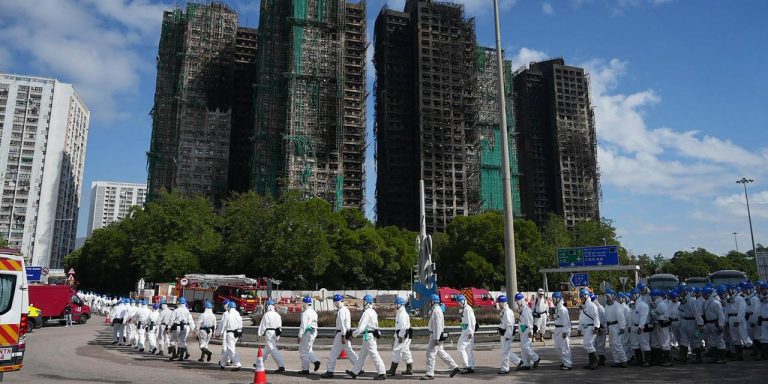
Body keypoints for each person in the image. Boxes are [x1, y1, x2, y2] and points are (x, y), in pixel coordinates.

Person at [345, 295, 386, 380]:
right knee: (362, 355)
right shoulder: (373, 312)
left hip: (369, 337)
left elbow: (361, 327)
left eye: (364, 302)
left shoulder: (367, 313)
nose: (362, 303)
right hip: (369, 336)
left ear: (367, 302)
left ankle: (382, 373)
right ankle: (355, 372)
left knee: (374, 354)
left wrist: (353, 335)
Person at [423, 293, 460, 380]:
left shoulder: (436, 311)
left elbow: (437, 326)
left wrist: (436, 338)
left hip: (435, 335)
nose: (429, 303)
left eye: (430, 301)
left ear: (433, 301)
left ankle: (429, 374)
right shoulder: (436, 309)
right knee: (440, 352)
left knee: (430, 354)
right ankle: (454, 367)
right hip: (437, 335)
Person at [322, 295, 360, 378]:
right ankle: (359, 368)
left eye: (335, 302)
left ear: (337, 302)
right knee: (349, 352)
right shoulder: (346, 310)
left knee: (333, 354)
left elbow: (342, 325)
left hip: (341, 334)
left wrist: (342, 336)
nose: (334, 304)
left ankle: (330, 371)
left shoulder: (341, 311)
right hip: (346, 333)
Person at [677, 286, 704, 364]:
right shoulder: (684, 300)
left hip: (692, 321)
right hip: (684, 321)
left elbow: (697, 313)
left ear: (685, 292)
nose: (680, 294)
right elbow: (680, 310)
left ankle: (698, 357)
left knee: (696, 339)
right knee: (683, 339)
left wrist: (700, 323)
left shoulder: (692, 300)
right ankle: (683, 356)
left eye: (681, 292)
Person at [257, 299, 285, 373]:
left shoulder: (267, 314)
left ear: (268, 306)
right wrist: (278, 337)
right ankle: (260, 363)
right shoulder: (277, 315)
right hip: (276, 332)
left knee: (272, 349)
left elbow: (263, 325)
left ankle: (281, 365)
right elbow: (280, 327)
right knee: (267, 349)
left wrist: (260, 334)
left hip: (269, 332)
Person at [387, 296, 412, 376]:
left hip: (402, 336)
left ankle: (392, 370)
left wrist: (400, 336)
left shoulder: (402, 314)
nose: (395, 305)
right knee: (405, 352)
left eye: (396, 304)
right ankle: (409, 369)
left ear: (400, 304)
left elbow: (403, 327)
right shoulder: (401, 313)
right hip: (404, 335)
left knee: (396, 351)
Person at [515, 292, 540, 370]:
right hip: (523, 330)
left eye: (518, 300)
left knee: (525, 347)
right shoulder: (522, 309)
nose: (517, 302)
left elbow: (530, 321)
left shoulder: (526, 309)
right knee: (524, 349)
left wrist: (530, 331)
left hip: (527, 331)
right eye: (516, 301)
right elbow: (522, 321)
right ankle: (526, 364)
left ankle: (536, 358)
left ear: (521, 300)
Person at [725, 283, 751, 360]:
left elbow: (742, 310)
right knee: (734, 338)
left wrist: (738, 320)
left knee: (744, 337)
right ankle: (738, 355)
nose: (728, 292)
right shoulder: (729, 299)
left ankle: (757, 350)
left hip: (737, 318)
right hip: (731, 318)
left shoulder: (739, 299)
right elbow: (726, 311)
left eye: (729, 290)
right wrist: (726, 320)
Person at [497, 295, 521, 374]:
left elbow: (510, 325)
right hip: (505, 334)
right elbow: (503, 323)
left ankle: (505, 369)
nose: (498, 305)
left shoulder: (507, 312)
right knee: (506, 351)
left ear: (502, 303)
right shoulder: (504, 311)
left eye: (499, 303)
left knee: (505, 352)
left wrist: (507, 336)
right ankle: (519, 362)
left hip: (507, 334)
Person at [603, 289, 628, 368]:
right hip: (610, 326)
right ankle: (617, 360)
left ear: (612, 296)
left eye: (607, 296)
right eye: (605, 296)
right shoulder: (607, 305)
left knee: (617, 344)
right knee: (612, 344)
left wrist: (622, 327)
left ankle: (624, 360)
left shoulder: (617, 305)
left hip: (616, 326)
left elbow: (621, 318)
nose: (606, 298)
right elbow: (606, 317)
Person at [703, 286, 727, 364]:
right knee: (711, 341)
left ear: (709, 294)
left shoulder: (716, 302)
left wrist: (721, 325)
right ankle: (714, 357)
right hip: (708, 323)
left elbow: (721, 315)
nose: (704, 295)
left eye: (705, 294)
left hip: (715, 323)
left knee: (719, 341)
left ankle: (722, 358)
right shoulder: (705, 302)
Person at [649, 289, 673, 366]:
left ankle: (667, 360)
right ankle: (658, 359)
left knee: (664, 342)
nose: (651, 298)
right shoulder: (657, 304)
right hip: (657, 325)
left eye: (652, 296)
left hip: (662, 325)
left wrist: (657, 317)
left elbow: (666, 316)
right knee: (655, 342)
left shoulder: (661, 304)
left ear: (656, 296)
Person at [297, 296, 321, 374]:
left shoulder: (305, 313)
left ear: (305, 303)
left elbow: (303, 325)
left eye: (303, 303)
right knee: (308, 349)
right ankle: (315, 361)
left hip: (307, 333)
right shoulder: (314, 312)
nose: (302, 304)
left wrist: (299, 336)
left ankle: (305, 369)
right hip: (313, 333)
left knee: (303, 351)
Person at [217, 301, 243, 370]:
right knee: (229, 349)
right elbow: (240, 326)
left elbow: (223, 325)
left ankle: (237, 364)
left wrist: (219, 333)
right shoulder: (238, 315)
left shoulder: (228, 315)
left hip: (230, 334)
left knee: (231, 349)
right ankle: (222, 363)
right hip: (237, 334)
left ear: (229, 307)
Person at [579, 288, 600, 369]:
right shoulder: (584, 306)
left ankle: (595, 361)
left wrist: (596, 327)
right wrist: (579, 328)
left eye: (582, 296)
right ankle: (591, 362)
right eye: (580, 296)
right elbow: (581, 318)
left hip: (591, 327)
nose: (581, 298)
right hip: (585, 328)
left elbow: (596, 317)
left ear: (587, 296)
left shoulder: (592, 305)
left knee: (589, 344)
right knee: (587, 345)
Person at [630, 288, 651, 367]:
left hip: (641, 327)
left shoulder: (643, 305)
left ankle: (647, 360)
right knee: (635, 344)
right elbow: (631, 316)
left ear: (636, 295)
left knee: (644, 343)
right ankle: (639, 360)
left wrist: (641, 326)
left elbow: (643, 317)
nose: (631, 297)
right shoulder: (633, 305)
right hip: (633, 326)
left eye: (632, 295)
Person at [455, 294, 476, 374]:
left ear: (463, 301)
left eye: (459, 302)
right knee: (468, 349)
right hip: (467, 331)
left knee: (460, 347)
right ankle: (471, 366)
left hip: (467, 332)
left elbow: (471, 321)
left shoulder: (467, 309)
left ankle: (467, 366)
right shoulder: (466, 309)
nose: (458, 304)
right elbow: (467, 321)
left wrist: (470, 331)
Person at [551, 291, 572, 370]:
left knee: (565, 348)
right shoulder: (557, 308)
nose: (553, 301)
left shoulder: (563, 309)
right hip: (557, 329)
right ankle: (564, 361)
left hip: (562, 329)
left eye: (554, 299)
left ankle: (568, 364)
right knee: (557, 347)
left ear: (558, 299)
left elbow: (566, 321)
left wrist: (565, 332)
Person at [592, 293, 607, 366]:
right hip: (597, 328)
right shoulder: (595, 308)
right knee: (595, 344)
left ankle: (602, 359)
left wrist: (600, 329)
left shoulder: (600, 308)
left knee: (600, 344)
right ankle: (599, 358)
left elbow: (603, 320)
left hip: (601, 328)